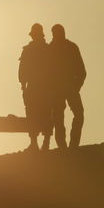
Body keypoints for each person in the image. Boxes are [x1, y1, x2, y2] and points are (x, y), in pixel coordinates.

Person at [47, 23, 87, 148]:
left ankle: (70, 145)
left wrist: (76, 86)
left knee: (75, 114)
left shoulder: (69, 47)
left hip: (68, 87)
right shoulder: (51, 49)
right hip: (60, 89)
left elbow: (82, 71)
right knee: (59, 116)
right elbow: (45, 73)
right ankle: (64, 146)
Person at [18, 23, 53, 151]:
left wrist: (23, 85)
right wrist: (23, 84)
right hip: (41, 87)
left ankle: (40, 142)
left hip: (39, 87)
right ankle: (40, 142)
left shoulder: (32, 49)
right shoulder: (47, 49)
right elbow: (23, 69)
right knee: (41, 113)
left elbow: (22, 69)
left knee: (39, 113)